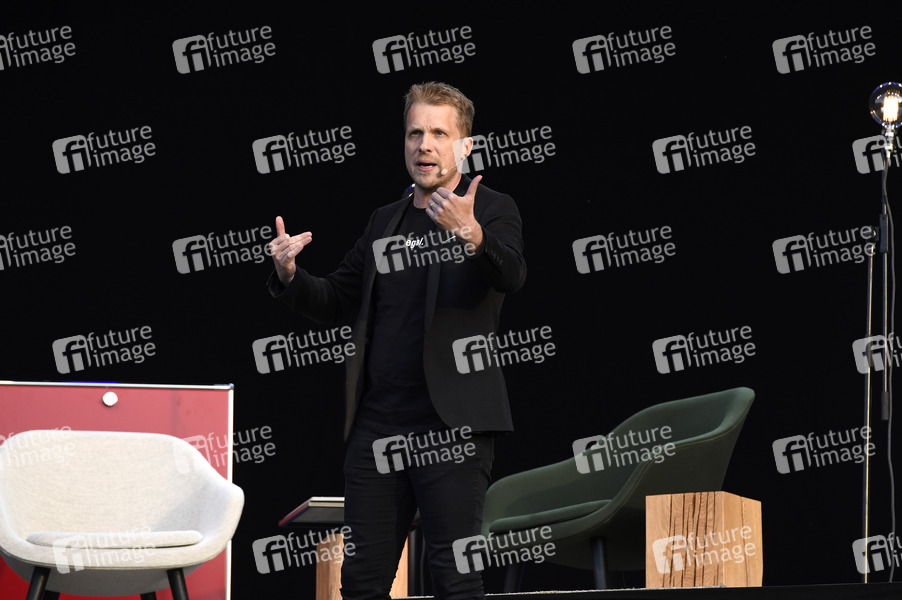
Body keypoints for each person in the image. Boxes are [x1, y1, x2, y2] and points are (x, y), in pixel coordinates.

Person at [267, 81, 526, 600]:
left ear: (465, 145)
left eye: (438, 134)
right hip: (379, 428)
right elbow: (336, 298)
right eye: (414, 133)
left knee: (455, 578)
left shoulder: (490, 209)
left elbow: (512, 274)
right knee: (361, 581)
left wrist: (471, 233)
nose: (424, 145)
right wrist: (290, 274)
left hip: (453, 426)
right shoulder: (385, 220)